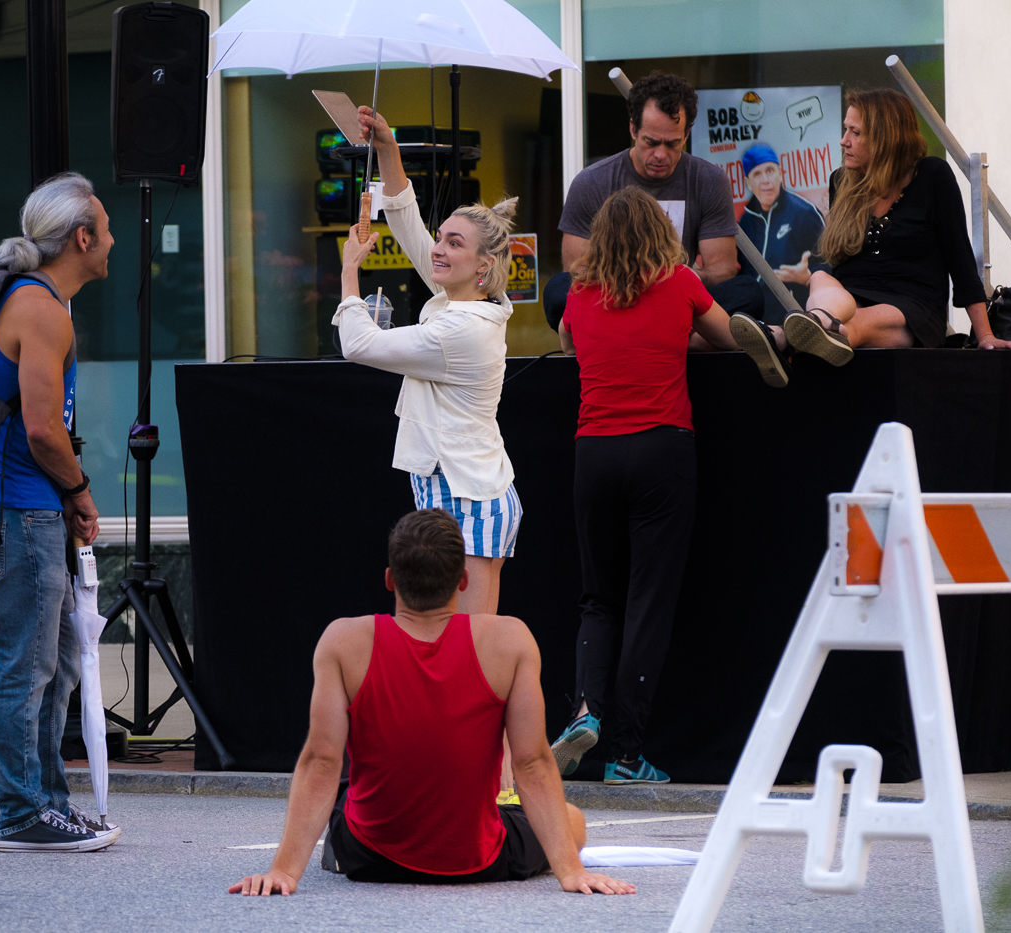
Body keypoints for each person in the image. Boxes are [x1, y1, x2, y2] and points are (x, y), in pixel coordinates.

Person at [229, 509, 634, 897]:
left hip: (367, 857)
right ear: (463, 580)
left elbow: (321, 760)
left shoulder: (342, 641)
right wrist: (571, 871)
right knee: (573, 819)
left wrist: (283, 871)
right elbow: (531, 762)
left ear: (390, 579)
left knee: (345, 776)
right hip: (475, 860)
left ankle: (336, 845)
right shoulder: (510, 641)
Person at [334, 106, 525, 799]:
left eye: (454, 244)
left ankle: (501, 786)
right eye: (441, 239)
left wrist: (350, 275)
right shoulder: (455, 301)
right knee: (447, 650)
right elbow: (406, 217)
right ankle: (468, 779)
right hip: (449, 488)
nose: (437, 250)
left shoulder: (463, 328)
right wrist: (386, 147)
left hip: (471, 496)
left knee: (475, 654)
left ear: (484, 267)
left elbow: (359, 344)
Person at [551, 187, 750, 786]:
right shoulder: (680, 283)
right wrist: (679, 337)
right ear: (661, 233)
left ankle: (584, 713)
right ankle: (627, 755)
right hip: (663, 449)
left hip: (594, 451)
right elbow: (732, 338)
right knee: (648, 602)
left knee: (597, 598)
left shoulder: (579, 294)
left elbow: (569, 347)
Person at [0, 172, 119, 852]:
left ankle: (48, 804)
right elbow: (44, 429)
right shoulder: (42, 309)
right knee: (24, 668)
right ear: (81, 238)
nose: (111, 240)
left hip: (22, 507)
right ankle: (21, 813)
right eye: (105, 229)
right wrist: (80, 492)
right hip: (13, 510)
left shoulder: (37, 300)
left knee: (55, 666)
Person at [762, 88, 1011, 365]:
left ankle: (781, 338)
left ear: (885, 138)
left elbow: (960, 260)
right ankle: (816, 326)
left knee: (856, 323)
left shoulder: (932, 176)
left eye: (855, 132)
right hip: (847, 299)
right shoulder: (841, 181)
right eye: (845, 129)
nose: (844, 141)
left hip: (910, 307)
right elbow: (839, 266)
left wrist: (985, 335)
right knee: (819, 278)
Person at [548, 71, 764, 331]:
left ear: (686, 135)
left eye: (672, 144)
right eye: (651, 142)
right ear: (633, 129)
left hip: (678, 302)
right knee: (557, 291)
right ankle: (691, 342)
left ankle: (654, 336)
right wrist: (631, 285)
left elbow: (723, 269)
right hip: (614, 302)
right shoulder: (592, 182)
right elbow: (578, 271)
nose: (661, 154)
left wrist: (681, 280)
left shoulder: (708, 180)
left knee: (747, 291)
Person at [735, 143, 825, 324]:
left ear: (780, 173)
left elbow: (830, 265)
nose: (765, 180)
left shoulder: (804, 213)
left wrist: (807, 277)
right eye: (757, 174)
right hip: (755, 322)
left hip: (797, 319)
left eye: (770, 171)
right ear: (748, 183)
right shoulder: (745, 222)